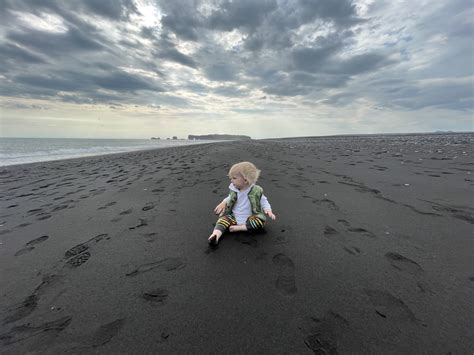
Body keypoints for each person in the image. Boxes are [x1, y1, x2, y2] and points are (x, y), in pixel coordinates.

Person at [208, 161, 276, 246]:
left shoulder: (256, 191)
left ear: (245, 180)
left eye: (234, 178)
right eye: (231, 178)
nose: (231, 180)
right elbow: (230, 197)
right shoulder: (234, 190)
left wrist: (268, 210)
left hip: (250, 218)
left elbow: (264, 201)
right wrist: (223, 202)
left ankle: (241, 228)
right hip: (234, 216)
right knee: (222, 220)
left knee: (260, 222)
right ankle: (215, 235)